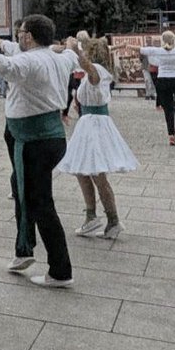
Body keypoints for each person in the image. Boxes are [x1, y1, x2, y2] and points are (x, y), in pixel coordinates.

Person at [0, 17, 78, 287]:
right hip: (49, 137)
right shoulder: (60, 58)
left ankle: (60, 270)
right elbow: (70, 50)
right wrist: (67, 45)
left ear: (29, 37)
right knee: (23, 189)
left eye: (21, 32)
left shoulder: (30, 61)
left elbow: (2, 64)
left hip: (34, 140)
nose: (19, 36)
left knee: (40, 203)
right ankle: (24, 249)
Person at [57, 37, 138, 240]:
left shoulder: (97, 70)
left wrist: (75, 49)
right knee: (82, 170)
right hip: (89, 122)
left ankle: (112, 219)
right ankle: (93, 216)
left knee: (97, 174)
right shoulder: (93, 71)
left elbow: (88, 68)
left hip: (93, 125)